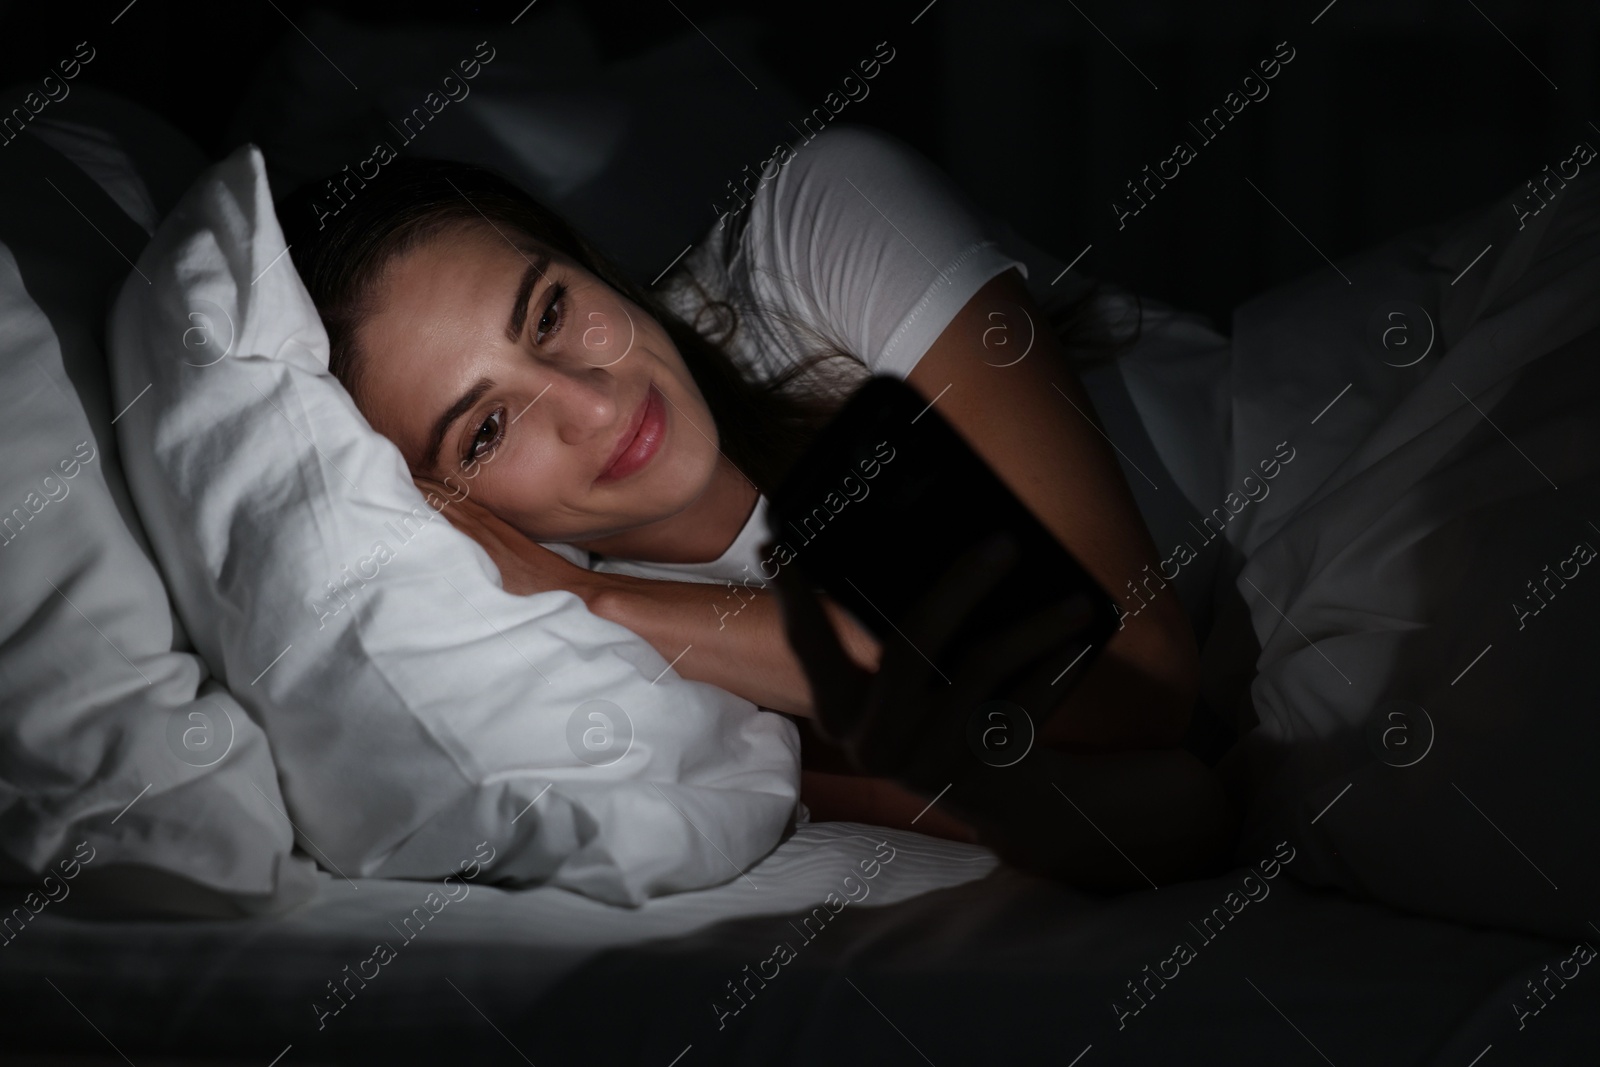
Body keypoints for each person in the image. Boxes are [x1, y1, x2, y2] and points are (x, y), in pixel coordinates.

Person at [282, 124, 1234, 889]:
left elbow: (1141, 677)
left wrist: (608, 602)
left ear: (589, 262)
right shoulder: (621, 690)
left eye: (549, 313)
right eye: (486, 430)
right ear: (446, 512)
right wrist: (602, 610)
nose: (590, 401)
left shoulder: (818, 227)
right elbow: (1183, 808)